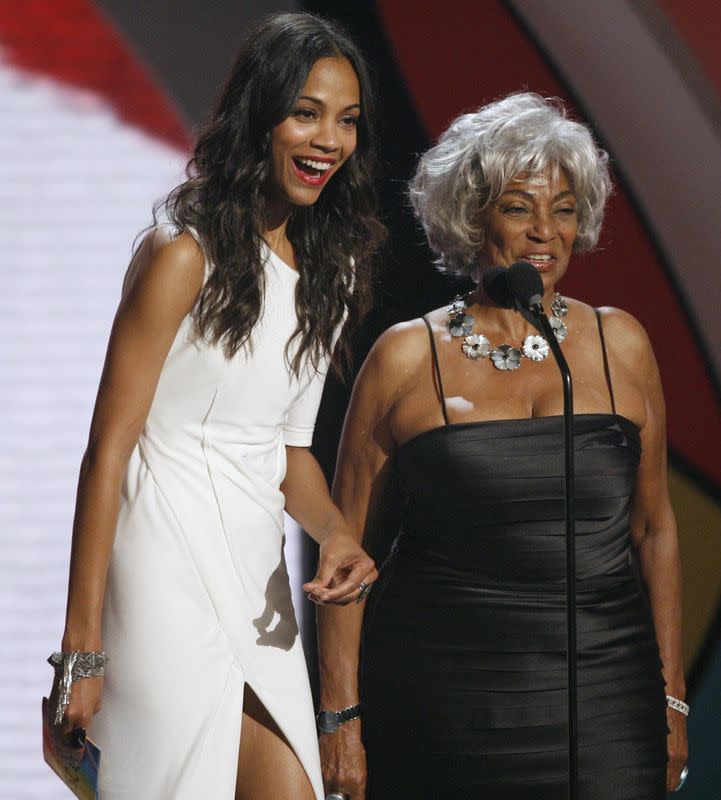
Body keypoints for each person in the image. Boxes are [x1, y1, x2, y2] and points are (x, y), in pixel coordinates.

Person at [46, 12, 385, 800]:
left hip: (257, 571)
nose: (328, 139)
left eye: (346, 120)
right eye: (305, 112)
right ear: (258, 114)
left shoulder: (327, 272)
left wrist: (335, 532)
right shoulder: (181, 253)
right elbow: (107, 451)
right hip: (159, 554)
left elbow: (285, 451)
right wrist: (82, 651)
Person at [316, 93, 688, 799]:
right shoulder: (404, 357)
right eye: (518, 207)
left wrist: (670, 698)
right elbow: (344, 557)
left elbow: (654, 527)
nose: (544, 232)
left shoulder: (621, 344)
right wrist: (340, 718)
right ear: (470, 213)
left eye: (564, 208)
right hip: (444, 704)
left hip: (606, 700)